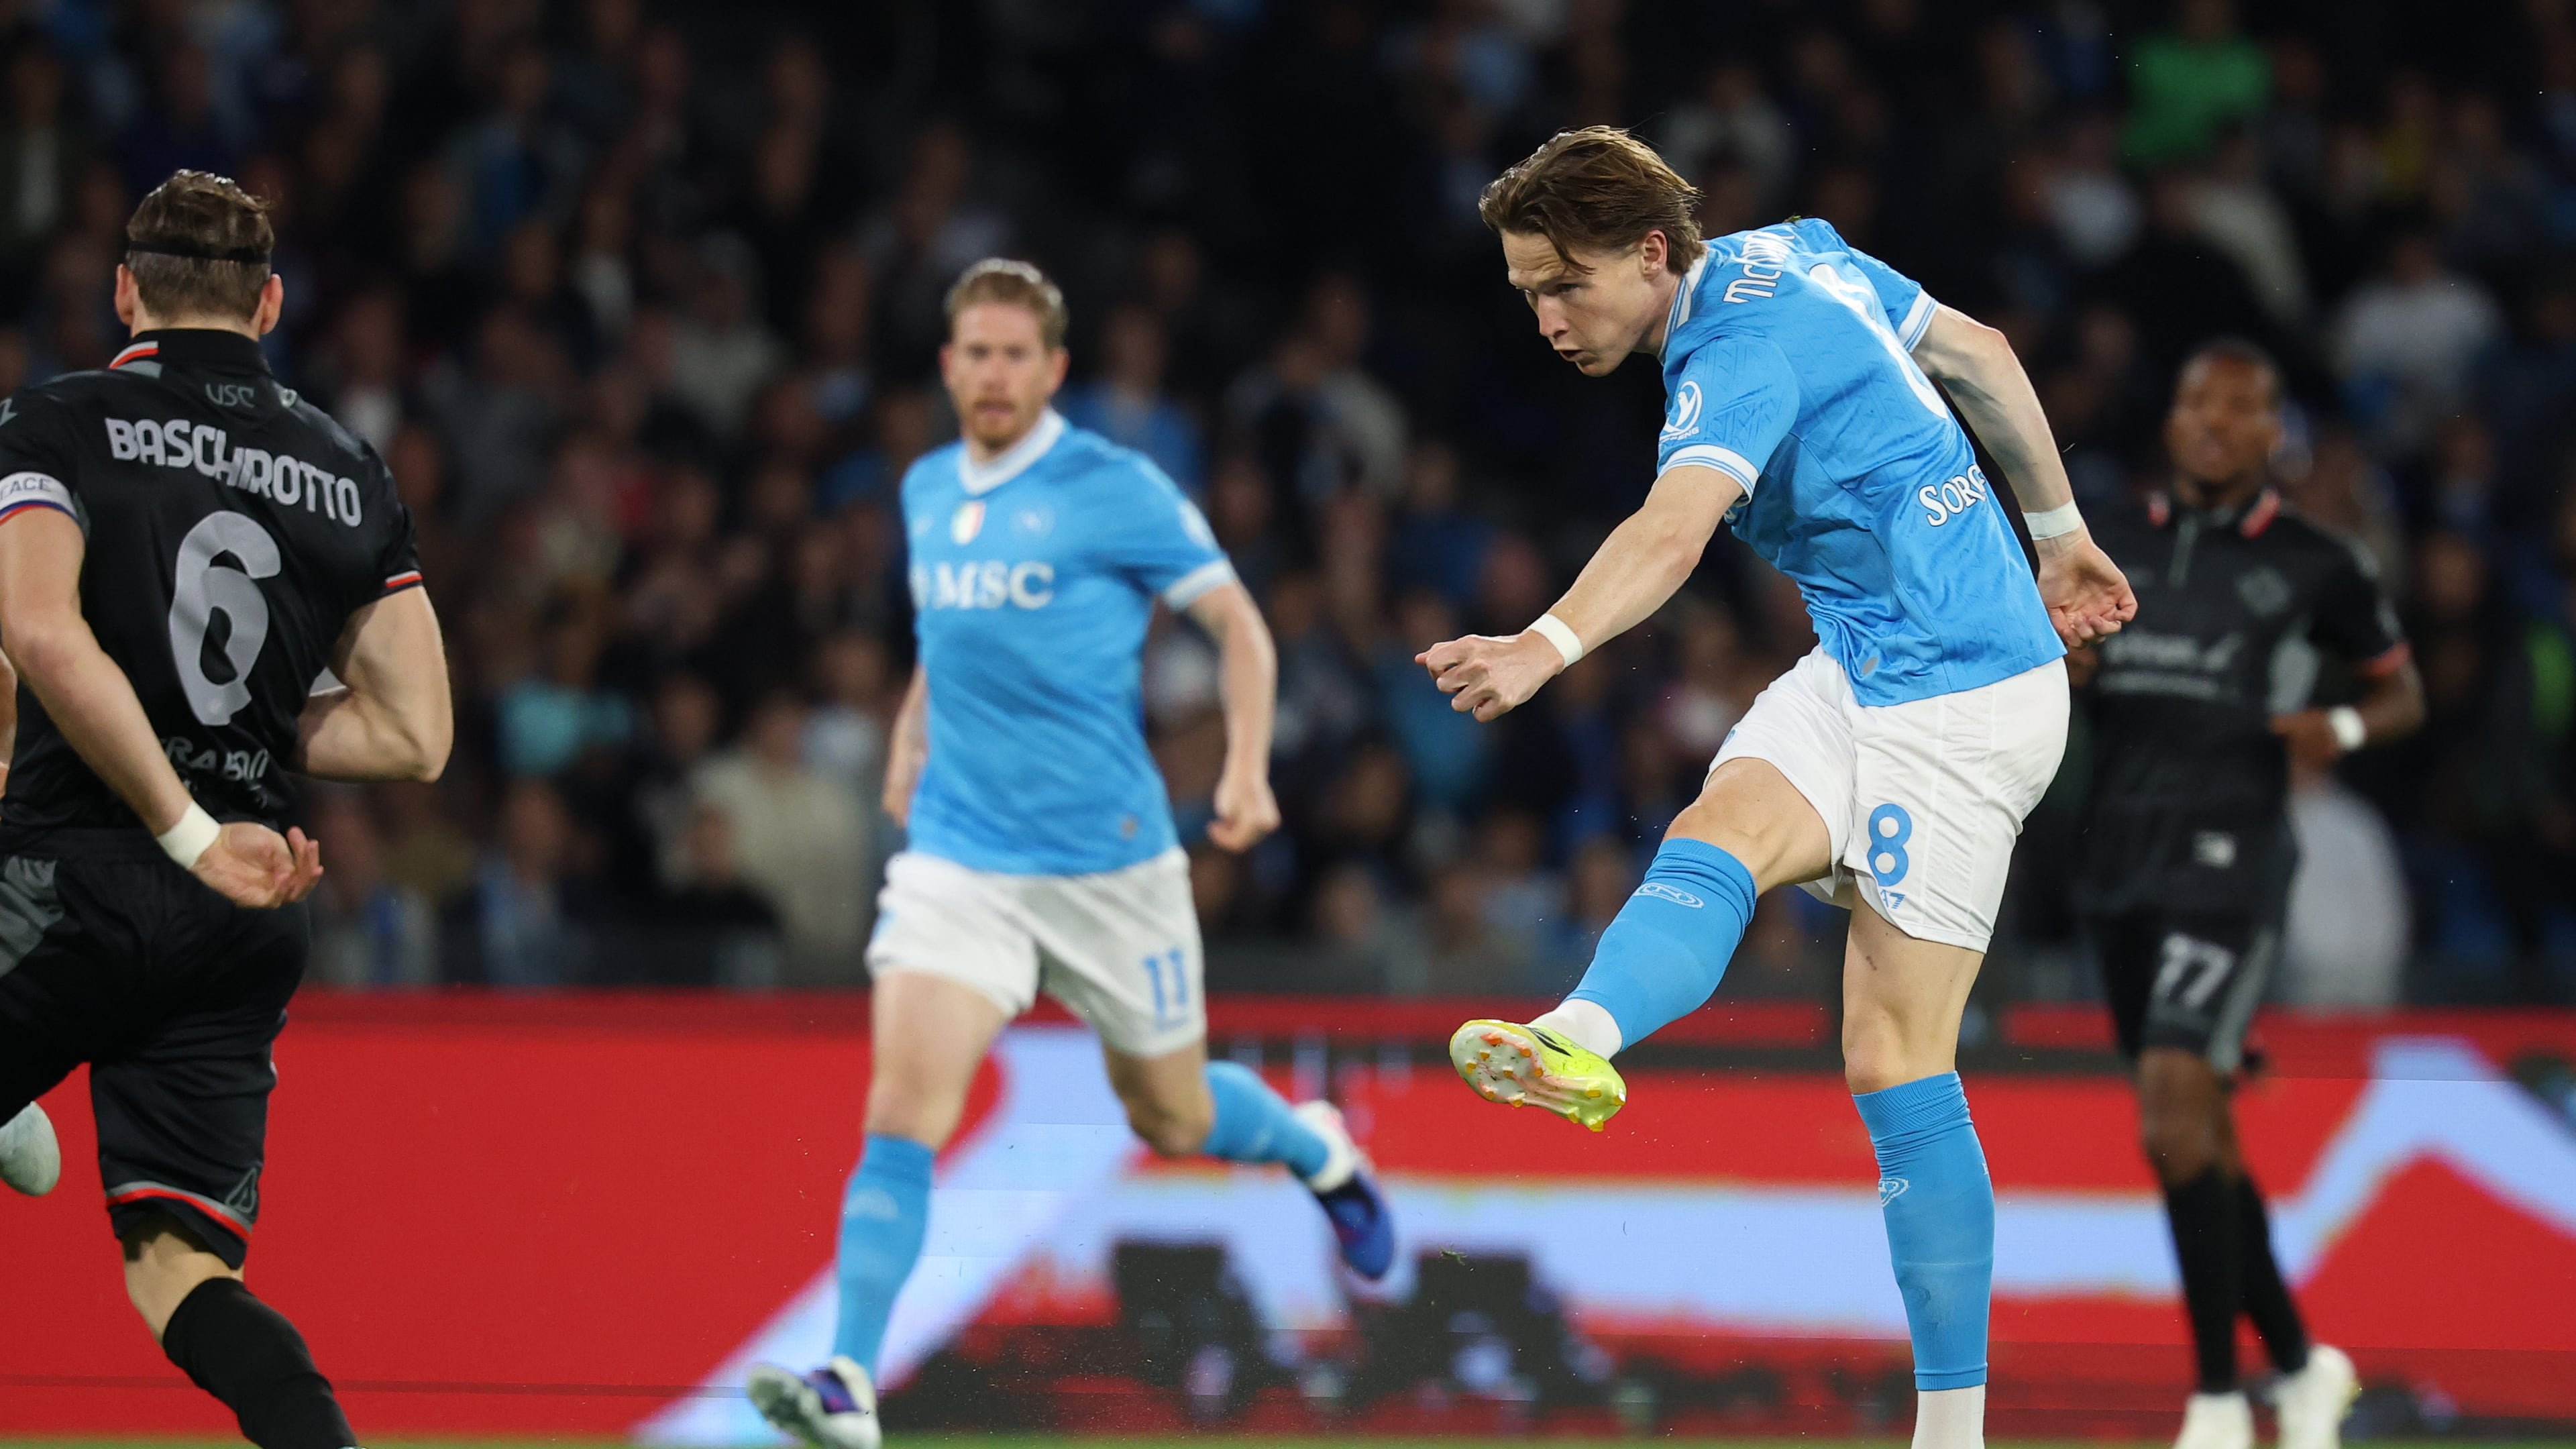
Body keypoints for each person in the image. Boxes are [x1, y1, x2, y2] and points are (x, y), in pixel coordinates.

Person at [1418, 128, 2137, 1449]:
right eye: (1526, 291)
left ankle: (1954, 1432)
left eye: (1565, 283)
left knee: (1892, 1055)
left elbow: (1671, 531)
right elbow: (1979, 352)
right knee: (1718, 829)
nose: (1546, 317)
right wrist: (2061, 533)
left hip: (1971, 702)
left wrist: (1542, 645)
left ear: (1649, 253)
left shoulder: (1730, 357)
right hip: (1869, 662)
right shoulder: (1792, 251)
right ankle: (1578, 1035)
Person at [747, 260, 1394, 1449]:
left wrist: (1245, 767)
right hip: (960, 862)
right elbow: (953, 642)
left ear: (1052, 371)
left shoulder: (1116, 487)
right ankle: (848, 1377)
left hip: (1111, 870)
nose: (992, 375)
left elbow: (1239, 626)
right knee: (902, 1111)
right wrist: (908, 742)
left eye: (1014, 356)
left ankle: (1317, 1148)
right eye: (973, 355)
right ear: (948, 367)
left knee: (1175, 1116)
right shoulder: (929, 487)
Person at [0, 171, 451, 1449]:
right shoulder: (347, 468)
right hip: (247, 907)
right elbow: (419, 733)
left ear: (127, 290)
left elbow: (37, 628)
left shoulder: (55, 421)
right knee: (181, 1270)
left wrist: (178, 815)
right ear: (268, 302)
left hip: (79, 872)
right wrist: (232, 754)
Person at [2076, 340, 2422, 1449]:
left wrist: (2347, 726)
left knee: (2175, 1104)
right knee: (2192, 1135)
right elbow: (2060, 667)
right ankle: (2304, 1366)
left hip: (2233, 855)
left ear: (2275, 435)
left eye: (2241, 409)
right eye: (2195, 401)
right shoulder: (2104, 543)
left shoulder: (2319, 561)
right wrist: (2065, 664)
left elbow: (2401, 689)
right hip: (2119, 858)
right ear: (2171, 421)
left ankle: (2221, 1399)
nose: (2214, 422)